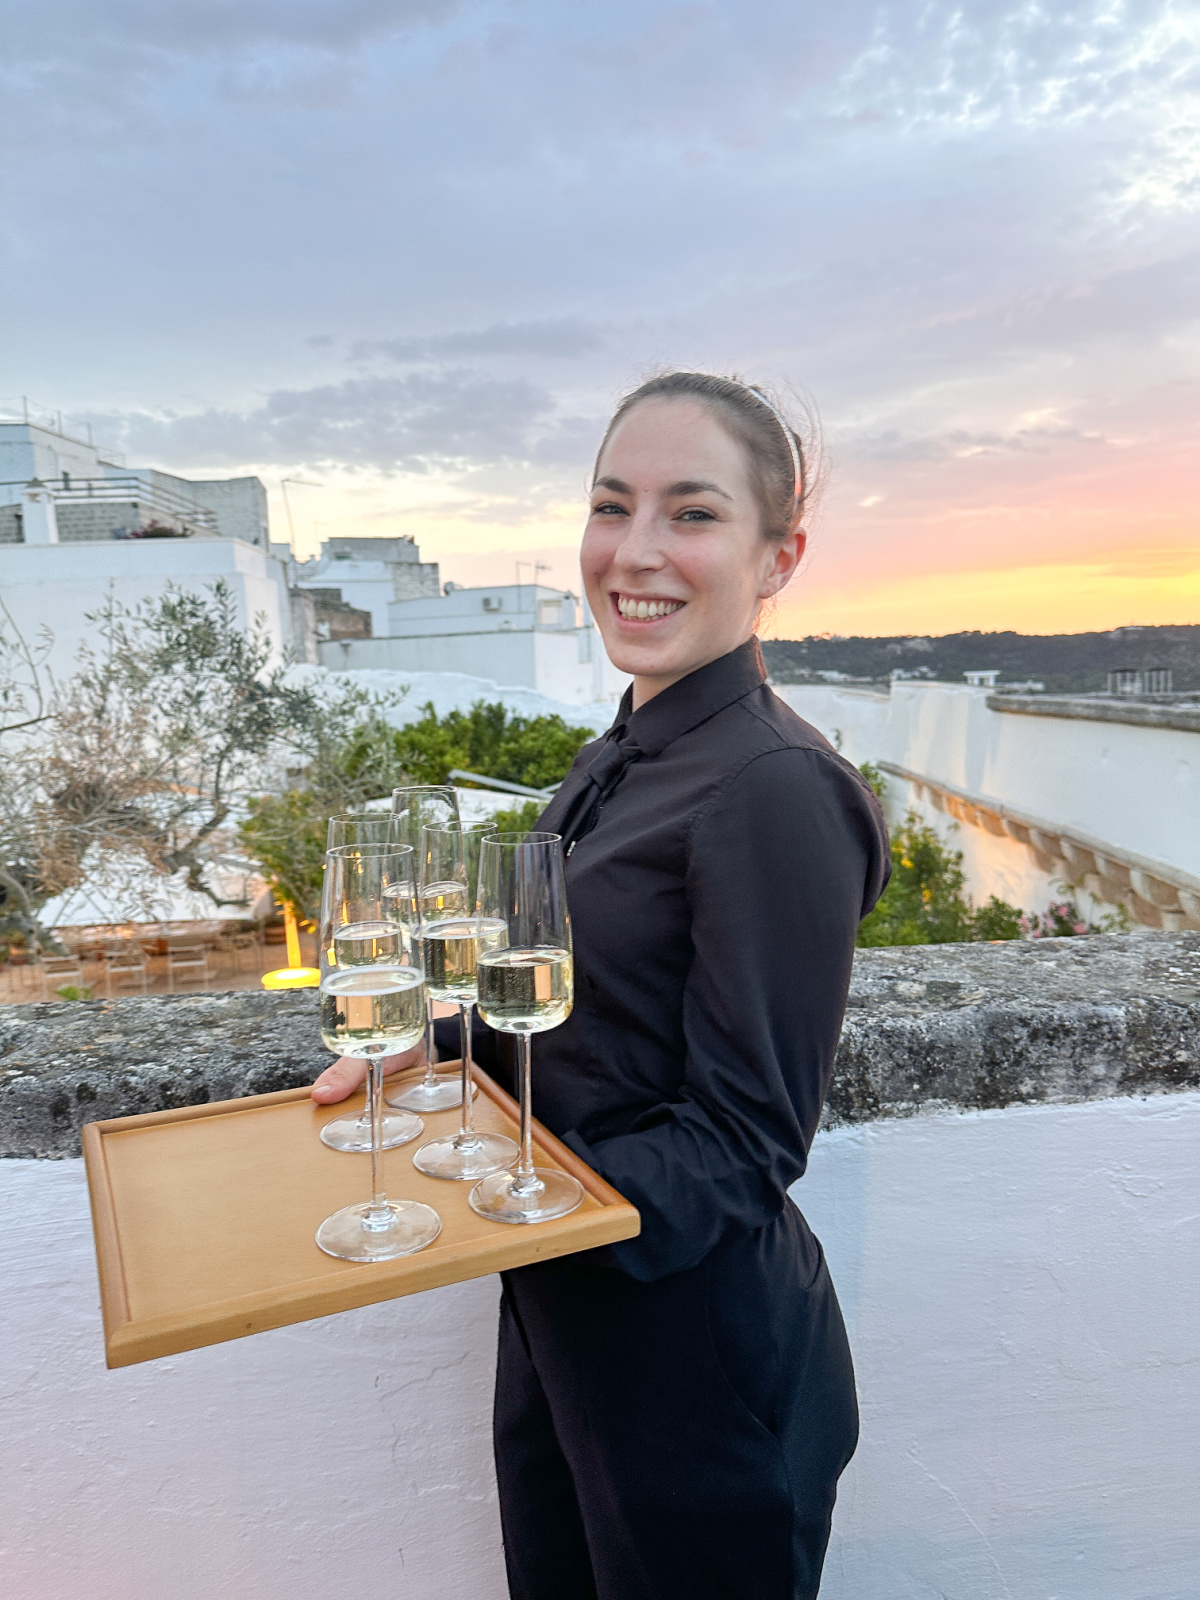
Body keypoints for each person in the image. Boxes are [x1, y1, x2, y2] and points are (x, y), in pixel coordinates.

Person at [313, 371, 891, 1600]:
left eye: (693, 513)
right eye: (611, 504)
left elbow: (744, 1142)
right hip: (567, 1326)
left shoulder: (776, 789)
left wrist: (509, 1210)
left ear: (779, 556)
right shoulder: (625, 748)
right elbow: (589, 1018)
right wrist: (440, 1044)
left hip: (693, 1376)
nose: (635, 551)